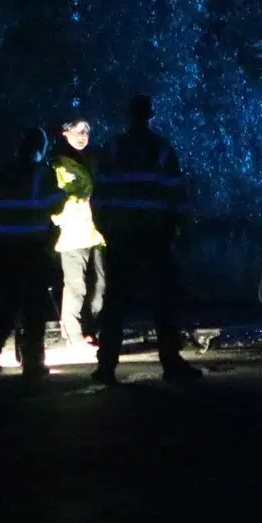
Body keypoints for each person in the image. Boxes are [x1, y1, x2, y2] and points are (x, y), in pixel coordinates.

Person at [91, 95, 203, 385]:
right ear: (149, 115)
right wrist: (177, 228)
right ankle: (171, 361)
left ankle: (106, 366)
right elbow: (176, 191)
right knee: (164, 298)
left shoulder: (114, 148)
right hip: (155, 233)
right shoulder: (161, 148)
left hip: (122, 233)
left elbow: (99, 193)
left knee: (115, 300)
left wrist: (106, 228)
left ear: (129, 115)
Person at [0, 127, 66, 381]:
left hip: (2, 249)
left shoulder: (3, 173)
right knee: (33, 308)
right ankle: (33, 363)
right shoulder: (43, 173)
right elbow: (57, 205)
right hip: (33, 248)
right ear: (41, 148)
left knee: (6, 303)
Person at [51, 118, 107, 349]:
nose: (82, 136)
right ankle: (74, 336)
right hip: (73, 233)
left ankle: (91, 330)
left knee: (101, 284)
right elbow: (56, 197)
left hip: (96, 232)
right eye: (77, 131)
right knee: (76, 286)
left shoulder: (93, 160)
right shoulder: (57, 162)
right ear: (65, 133)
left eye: (85, 132)